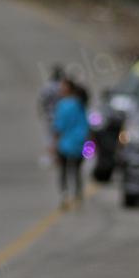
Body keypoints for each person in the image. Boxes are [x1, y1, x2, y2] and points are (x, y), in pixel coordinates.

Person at [51, 77, 89, 208]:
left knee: (64, 170)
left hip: (66, 143)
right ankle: (77, 194)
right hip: (79, 142)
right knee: (77, 170)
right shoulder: (80, 104)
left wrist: (53, 144)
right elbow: (86, 124)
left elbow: (58, 126)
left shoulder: (63, 105)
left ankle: (65, 194)